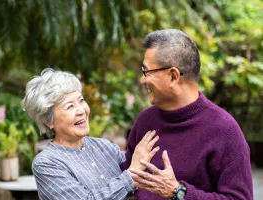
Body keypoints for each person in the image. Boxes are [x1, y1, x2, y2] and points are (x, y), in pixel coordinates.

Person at [121, 29, 253, 200]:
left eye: (147, 72)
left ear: (173, 76)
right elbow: (125, 180)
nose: (142, 80)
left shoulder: (225, 131)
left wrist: (178, 192)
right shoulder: (145, 121)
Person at [22, 68, 160, 200]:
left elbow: (142, 181)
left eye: (81, 100)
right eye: (70, 106)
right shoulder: (46, 164)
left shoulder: (105, 147)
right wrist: (131, 176)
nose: (81, 110)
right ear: (48, 121)